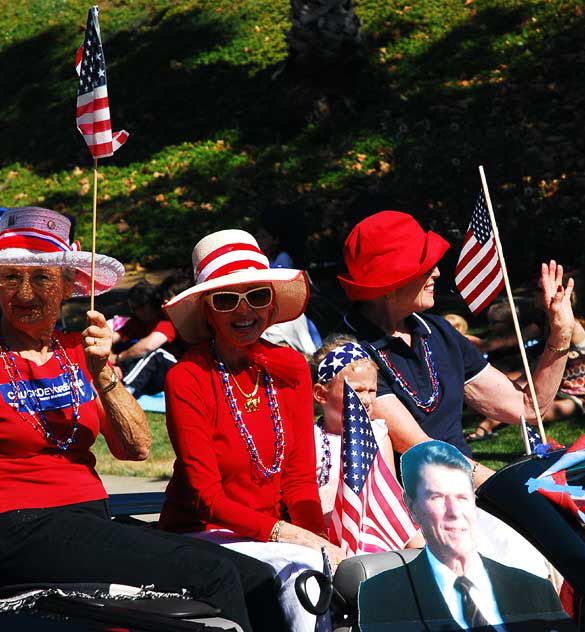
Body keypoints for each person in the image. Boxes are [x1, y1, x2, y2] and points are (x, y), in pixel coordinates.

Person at [0, 206, 287, 632]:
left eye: (42, 278)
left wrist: (103, 376)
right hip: (19, 524)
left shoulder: (79, 349)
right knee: (214, 577)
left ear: (65, 288)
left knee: (259, 579)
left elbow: (136, 448)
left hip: (87, 519)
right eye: (11, 278)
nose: (27, 293)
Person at [158, 228, 344, 632]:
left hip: (270, 537)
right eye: (227, 299)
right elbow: (207, 498)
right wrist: (290, 537)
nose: (245, 312)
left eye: (257, 296)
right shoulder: (187, 377)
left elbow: (298, 481)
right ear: (208, 310)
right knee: (305, 568)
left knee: (342, 564)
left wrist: (315, 537)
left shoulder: (291, 368)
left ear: (272, 303)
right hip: (200, 533)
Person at [338, 211, 575, 486]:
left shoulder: (439, 332)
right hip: (410, 509)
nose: (437, 272)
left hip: (463, 492)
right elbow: (424, 451)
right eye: (424, 267)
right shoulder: (350, 353)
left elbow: (528, 409)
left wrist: (560, 333)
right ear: (389, 284)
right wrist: (508, 490)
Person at [358, 440, 569, 630]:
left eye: (462, 497)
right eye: (437, 497)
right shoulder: (381, 595)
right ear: (411, 506)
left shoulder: (536, 589)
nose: (454, 512)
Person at [311, 333, 422, 549]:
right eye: (356, 390)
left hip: (377, 528)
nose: (366, 399)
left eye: (372, 391)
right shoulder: (311, 438)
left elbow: (390, 494)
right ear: (321, 395)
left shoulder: (378, 434)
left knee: (423, 546)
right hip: (329, 535)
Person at [110, 276, 188, 399]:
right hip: (151, 373)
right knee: (126, 347)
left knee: (154, 354)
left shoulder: (166, 321)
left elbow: (148, 346)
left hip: (174, 370)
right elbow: (113, 337)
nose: (135, 312)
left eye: (139, 307)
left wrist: (118, 358)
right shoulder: (137, 322)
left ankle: (126, 392)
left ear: (152, 304)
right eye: (133, 308)